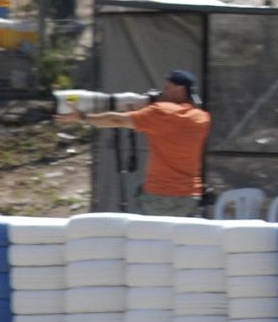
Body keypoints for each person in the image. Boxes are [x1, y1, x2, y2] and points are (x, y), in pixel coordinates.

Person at [63, 71, 209, 216]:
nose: (163, 92)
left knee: (145, 237)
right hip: (190, 196)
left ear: (179, 89)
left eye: (167, 88)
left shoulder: (160, 113)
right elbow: (178, 120)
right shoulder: (202, 119)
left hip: (159, 194)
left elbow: (116, 120)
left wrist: (82, 117)